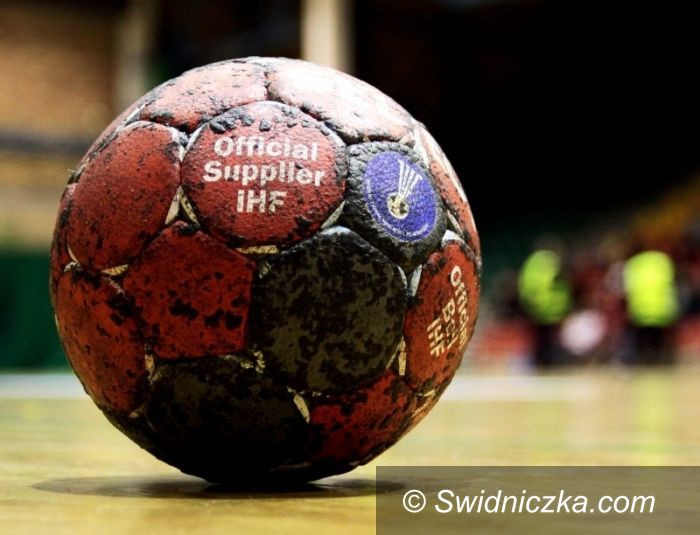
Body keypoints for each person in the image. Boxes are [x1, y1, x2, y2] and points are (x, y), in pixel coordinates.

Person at [518, 242, 573, 367]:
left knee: (541, 339)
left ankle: (542, 362)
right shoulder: (554, 262)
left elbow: (525, 284)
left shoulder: (531, 263)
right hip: (553, 308)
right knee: (549, 339)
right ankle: (549, 361)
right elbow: (561, 284)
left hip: (535, 307)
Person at [622, 250, 680, 364]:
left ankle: (646, 360)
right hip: (662, 310)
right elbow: (672, 284)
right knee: (661, 339)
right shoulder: (663, 262)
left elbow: (627, 288)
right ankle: (661, 360)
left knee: (644, 340)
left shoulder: (634, 263)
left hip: (640, 310)